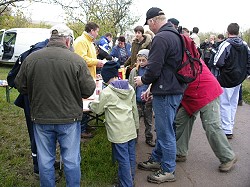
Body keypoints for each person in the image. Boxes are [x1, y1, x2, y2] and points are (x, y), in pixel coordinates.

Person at [14, 24, 96, 186]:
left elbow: (20, 86)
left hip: (41, 118)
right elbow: (88, 90)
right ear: (68, 41)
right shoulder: (76, 60)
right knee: (71, 161)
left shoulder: (32, 58)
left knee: (45, 161)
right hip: (69, 119)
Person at [134, 7, 186, 184]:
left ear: (152, 21)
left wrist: (143, 81)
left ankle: (168, 169)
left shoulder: (162, 37)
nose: (150, 29)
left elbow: (154, 68)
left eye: (149, 25)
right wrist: (152, 89)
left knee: (165, 133)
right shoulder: (175, 34)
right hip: (172, 87)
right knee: (165, 129)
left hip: (166, 90)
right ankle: (157, 159)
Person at [175, 60, 237, 172]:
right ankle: (180, 152)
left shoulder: (183, 53)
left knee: (211, 126)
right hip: (190, 95)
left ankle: (228, 157)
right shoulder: (176, 53)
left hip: (206, 90)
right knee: (181, 120)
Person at [89, 61, 139, 187]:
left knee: (122, 160)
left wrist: (91, 104)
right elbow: (134, 109)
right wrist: (137, 126)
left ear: (106, 78)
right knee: (131, 156)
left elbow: (98, 109)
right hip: (130, 128)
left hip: (118, 132)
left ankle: (126, 184)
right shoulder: (130, 88)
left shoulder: (107, 92)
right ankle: (129, 179)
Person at [213, 23, 250, 139]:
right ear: (238, 32)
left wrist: (224, 69)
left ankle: (226, 129)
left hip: (226, 78)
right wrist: (246, 73)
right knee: (233, 104)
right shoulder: (245, 44)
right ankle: (230, 126)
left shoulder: (225, 44)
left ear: (227, 32)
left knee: (224, 103)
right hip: (239, 79)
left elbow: (217, 62)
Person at [74, 22, 105, 139]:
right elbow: (81, 59)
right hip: (82, 78)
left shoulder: (89, 42)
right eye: (97, 31)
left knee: (88, 102)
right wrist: (97, 62)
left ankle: (85, 124)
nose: (97, 34)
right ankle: (81, 129)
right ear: (92, 30)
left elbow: (90, 58)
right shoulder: (81, 41)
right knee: (83, 104)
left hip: (89, 77)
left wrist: (95, 72)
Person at [128, 49, 155, 147]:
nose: (141, 62)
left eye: (144, 60)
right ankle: (134, 138)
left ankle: (149, 138)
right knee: (135, 120)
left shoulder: (151, 71)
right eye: (139, 60)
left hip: (148, 100)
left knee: (148, 121)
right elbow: (130, 85)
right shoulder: (134, 71)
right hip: (137, 100)